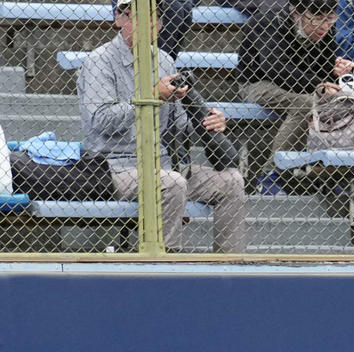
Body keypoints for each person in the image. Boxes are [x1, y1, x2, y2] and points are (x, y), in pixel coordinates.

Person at [78, 0, 247, 253]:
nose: (149, 24)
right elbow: (101, 120)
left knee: (232, 181)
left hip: (163, 163)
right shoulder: (98, 61)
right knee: (173, 183)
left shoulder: (164, 60)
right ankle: (165, 266)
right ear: (119, 19)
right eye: (138, 16)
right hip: (115, 165)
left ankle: (230, 267)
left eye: (154, 17)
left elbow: (179, 124)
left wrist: (210, 120)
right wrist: (151, 95)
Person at [239, 0, 354, 188]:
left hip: (300, 84)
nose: (324, 26)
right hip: (258, 81)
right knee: (306, 104)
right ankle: (272, 174)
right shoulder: (270, 20)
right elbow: (275, 68)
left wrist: (337, 71)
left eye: (330, 18)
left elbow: (323, 70)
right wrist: (318, 85)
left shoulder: (325, 29)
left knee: (342, 100)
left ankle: (327, 171)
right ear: (297, 13)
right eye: (317, 18)